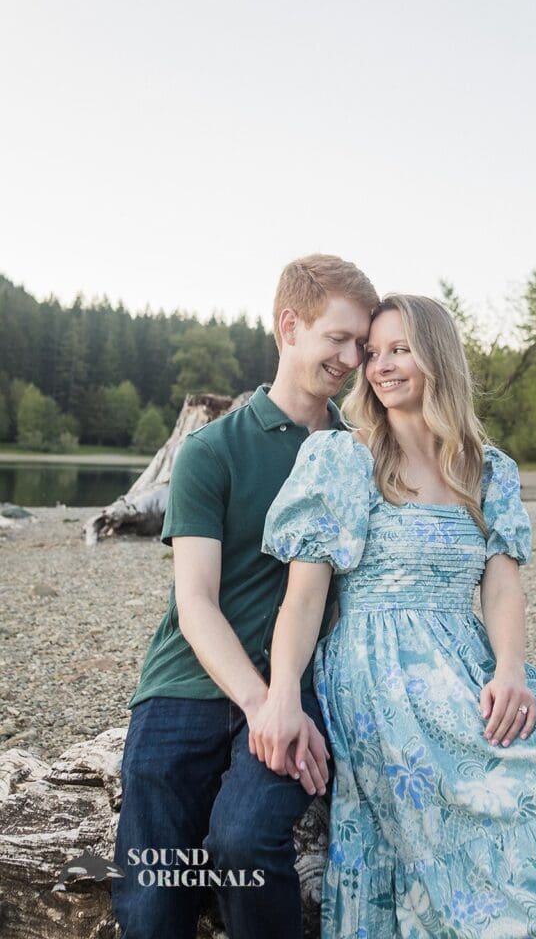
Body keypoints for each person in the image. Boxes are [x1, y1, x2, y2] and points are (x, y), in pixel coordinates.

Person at [256, 293, 536, 939]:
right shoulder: (342, 459)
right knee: (518, 778)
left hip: (470, 657)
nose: (380, 366)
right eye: (372, 353)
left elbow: (501, 589)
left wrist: (509, 668)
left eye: (400, 350)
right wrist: (282, 695)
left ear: (437, 358)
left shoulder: (485, 469)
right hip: (383, 680)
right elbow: (304, 598)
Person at [111, 254, 379, 939]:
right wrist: (260, 702)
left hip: (301, 684)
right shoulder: (214, 448)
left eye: (362, 344)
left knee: (244, 842)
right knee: (155, 869)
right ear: (289, 326)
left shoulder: (355, 456)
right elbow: (195, 600)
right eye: (338, 338)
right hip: (187, 682)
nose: (352, 358)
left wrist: (288, 698)